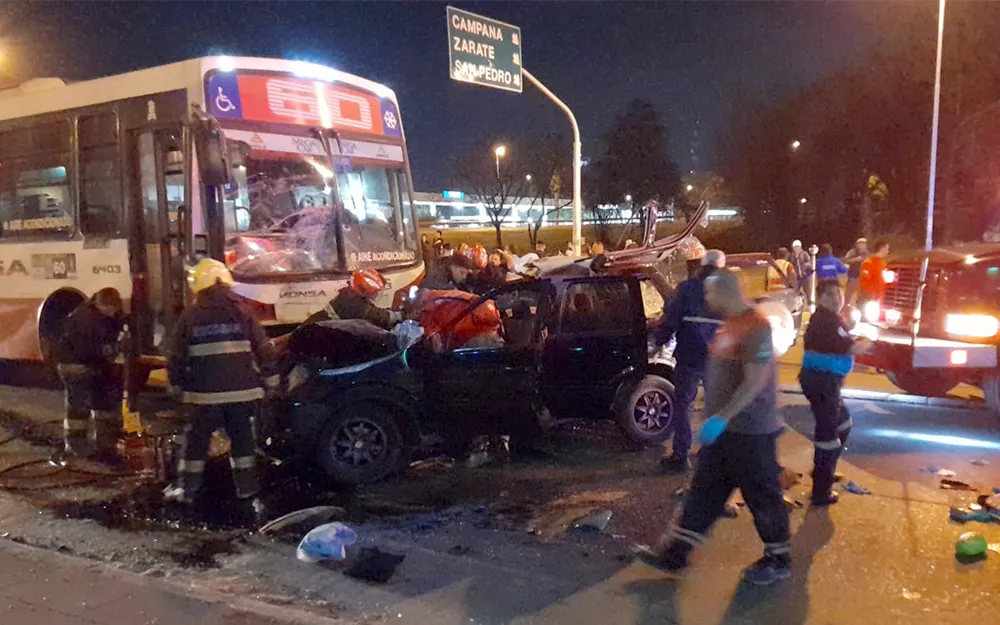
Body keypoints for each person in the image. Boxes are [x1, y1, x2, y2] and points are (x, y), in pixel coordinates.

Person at [639, 269, 791, 586]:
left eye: (710, 293)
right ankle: (676, 554)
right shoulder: (729, 325)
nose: (706, 298)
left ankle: (779, 559)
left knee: (762, 496)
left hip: (751, 433)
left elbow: (754, 381)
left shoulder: (757, 328)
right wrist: (717, 420)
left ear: (726, 292)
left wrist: (723, 417)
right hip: (724, 433)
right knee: (704, 494)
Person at [166, 258, 276, 514]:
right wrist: (272, 382)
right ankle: (247, 491)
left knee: (196, 443)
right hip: (242, 394)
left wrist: (176, 384)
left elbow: (176, 356)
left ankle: (187, 491)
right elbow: (264, 349)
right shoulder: (243, 312)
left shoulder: (190, 316)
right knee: (243, 442)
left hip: (204, 397)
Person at [653, 249, 726, 473]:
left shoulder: (687, 289)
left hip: (689, 355)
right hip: (718, 358)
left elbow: (671, 318)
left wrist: (660, 340)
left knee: (684, 405)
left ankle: (680, 455)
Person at [800, 280, 871, 505]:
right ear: (820, 298)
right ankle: (821, 492)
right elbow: (850, 347)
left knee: (844, 424)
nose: (836, 299)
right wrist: (870, 342)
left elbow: (841, 341)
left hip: (826, 383)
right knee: (828, 437)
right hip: (823, 384)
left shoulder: (831, 320)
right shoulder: (825, 321)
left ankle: (824, 471)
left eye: (839, 295)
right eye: (830, 295)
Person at [56, 288, 124, 460]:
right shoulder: (84, 319)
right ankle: (75, 445)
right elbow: (87, 351)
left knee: (103, 402)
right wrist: (110, 352)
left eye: (115, 309)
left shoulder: (109, 316)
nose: (113, 313)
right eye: (110, 309)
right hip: (74, 365)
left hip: (94, 364)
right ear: (101, 305)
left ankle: (104, 444)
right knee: (79, 407)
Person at [306, 268, 402, 329]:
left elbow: (372, 310)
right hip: (314, 336)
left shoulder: (349, 295)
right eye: (374, 292)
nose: (375, 295)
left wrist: (392, 311)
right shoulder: (353, 303)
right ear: (364, 290)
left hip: (317, 330)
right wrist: (400, 315)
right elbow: (379, 316)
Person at [420, 243, 486, 292]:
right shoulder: (439, 278)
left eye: (465, 274)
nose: (464, 277)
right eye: (462, 272)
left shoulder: (450, 277)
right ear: (453, 266)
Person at [858, 240, 890, 307]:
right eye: (887, 249)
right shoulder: (868, 263)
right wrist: (869, 296)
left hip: (879, 298)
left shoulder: (883, 263)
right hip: (869, 299)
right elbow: (864, 283)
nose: (888, 251)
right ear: (882, 249)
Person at [843, 238, 868, 308]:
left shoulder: (867, 253)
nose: (863, 245)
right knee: (848, 295)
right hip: (853, 276)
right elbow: (846, 260)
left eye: (864, 244)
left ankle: (860, 308)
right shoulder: (852, 252)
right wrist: (856, 259)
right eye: (861, 243)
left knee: (862, 296)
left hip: (863, 278)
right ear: (857, 245)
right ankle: (845, 308)